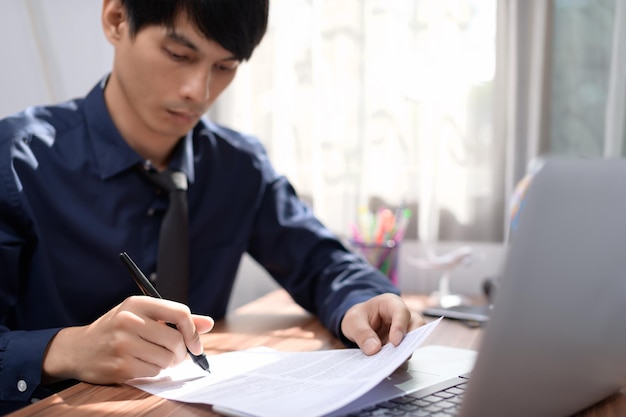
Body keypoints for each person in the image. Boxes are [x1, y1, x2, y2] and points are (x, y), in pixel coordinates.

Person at [0, 0, 424, 412]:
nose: (198, 92)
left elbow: (320, 261)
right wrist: (64, 350)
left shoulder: (239, 166)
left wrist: (363, 300)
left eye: (225, 67)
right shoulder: (18, 160)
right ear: (115, 20)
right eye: (179, 54)